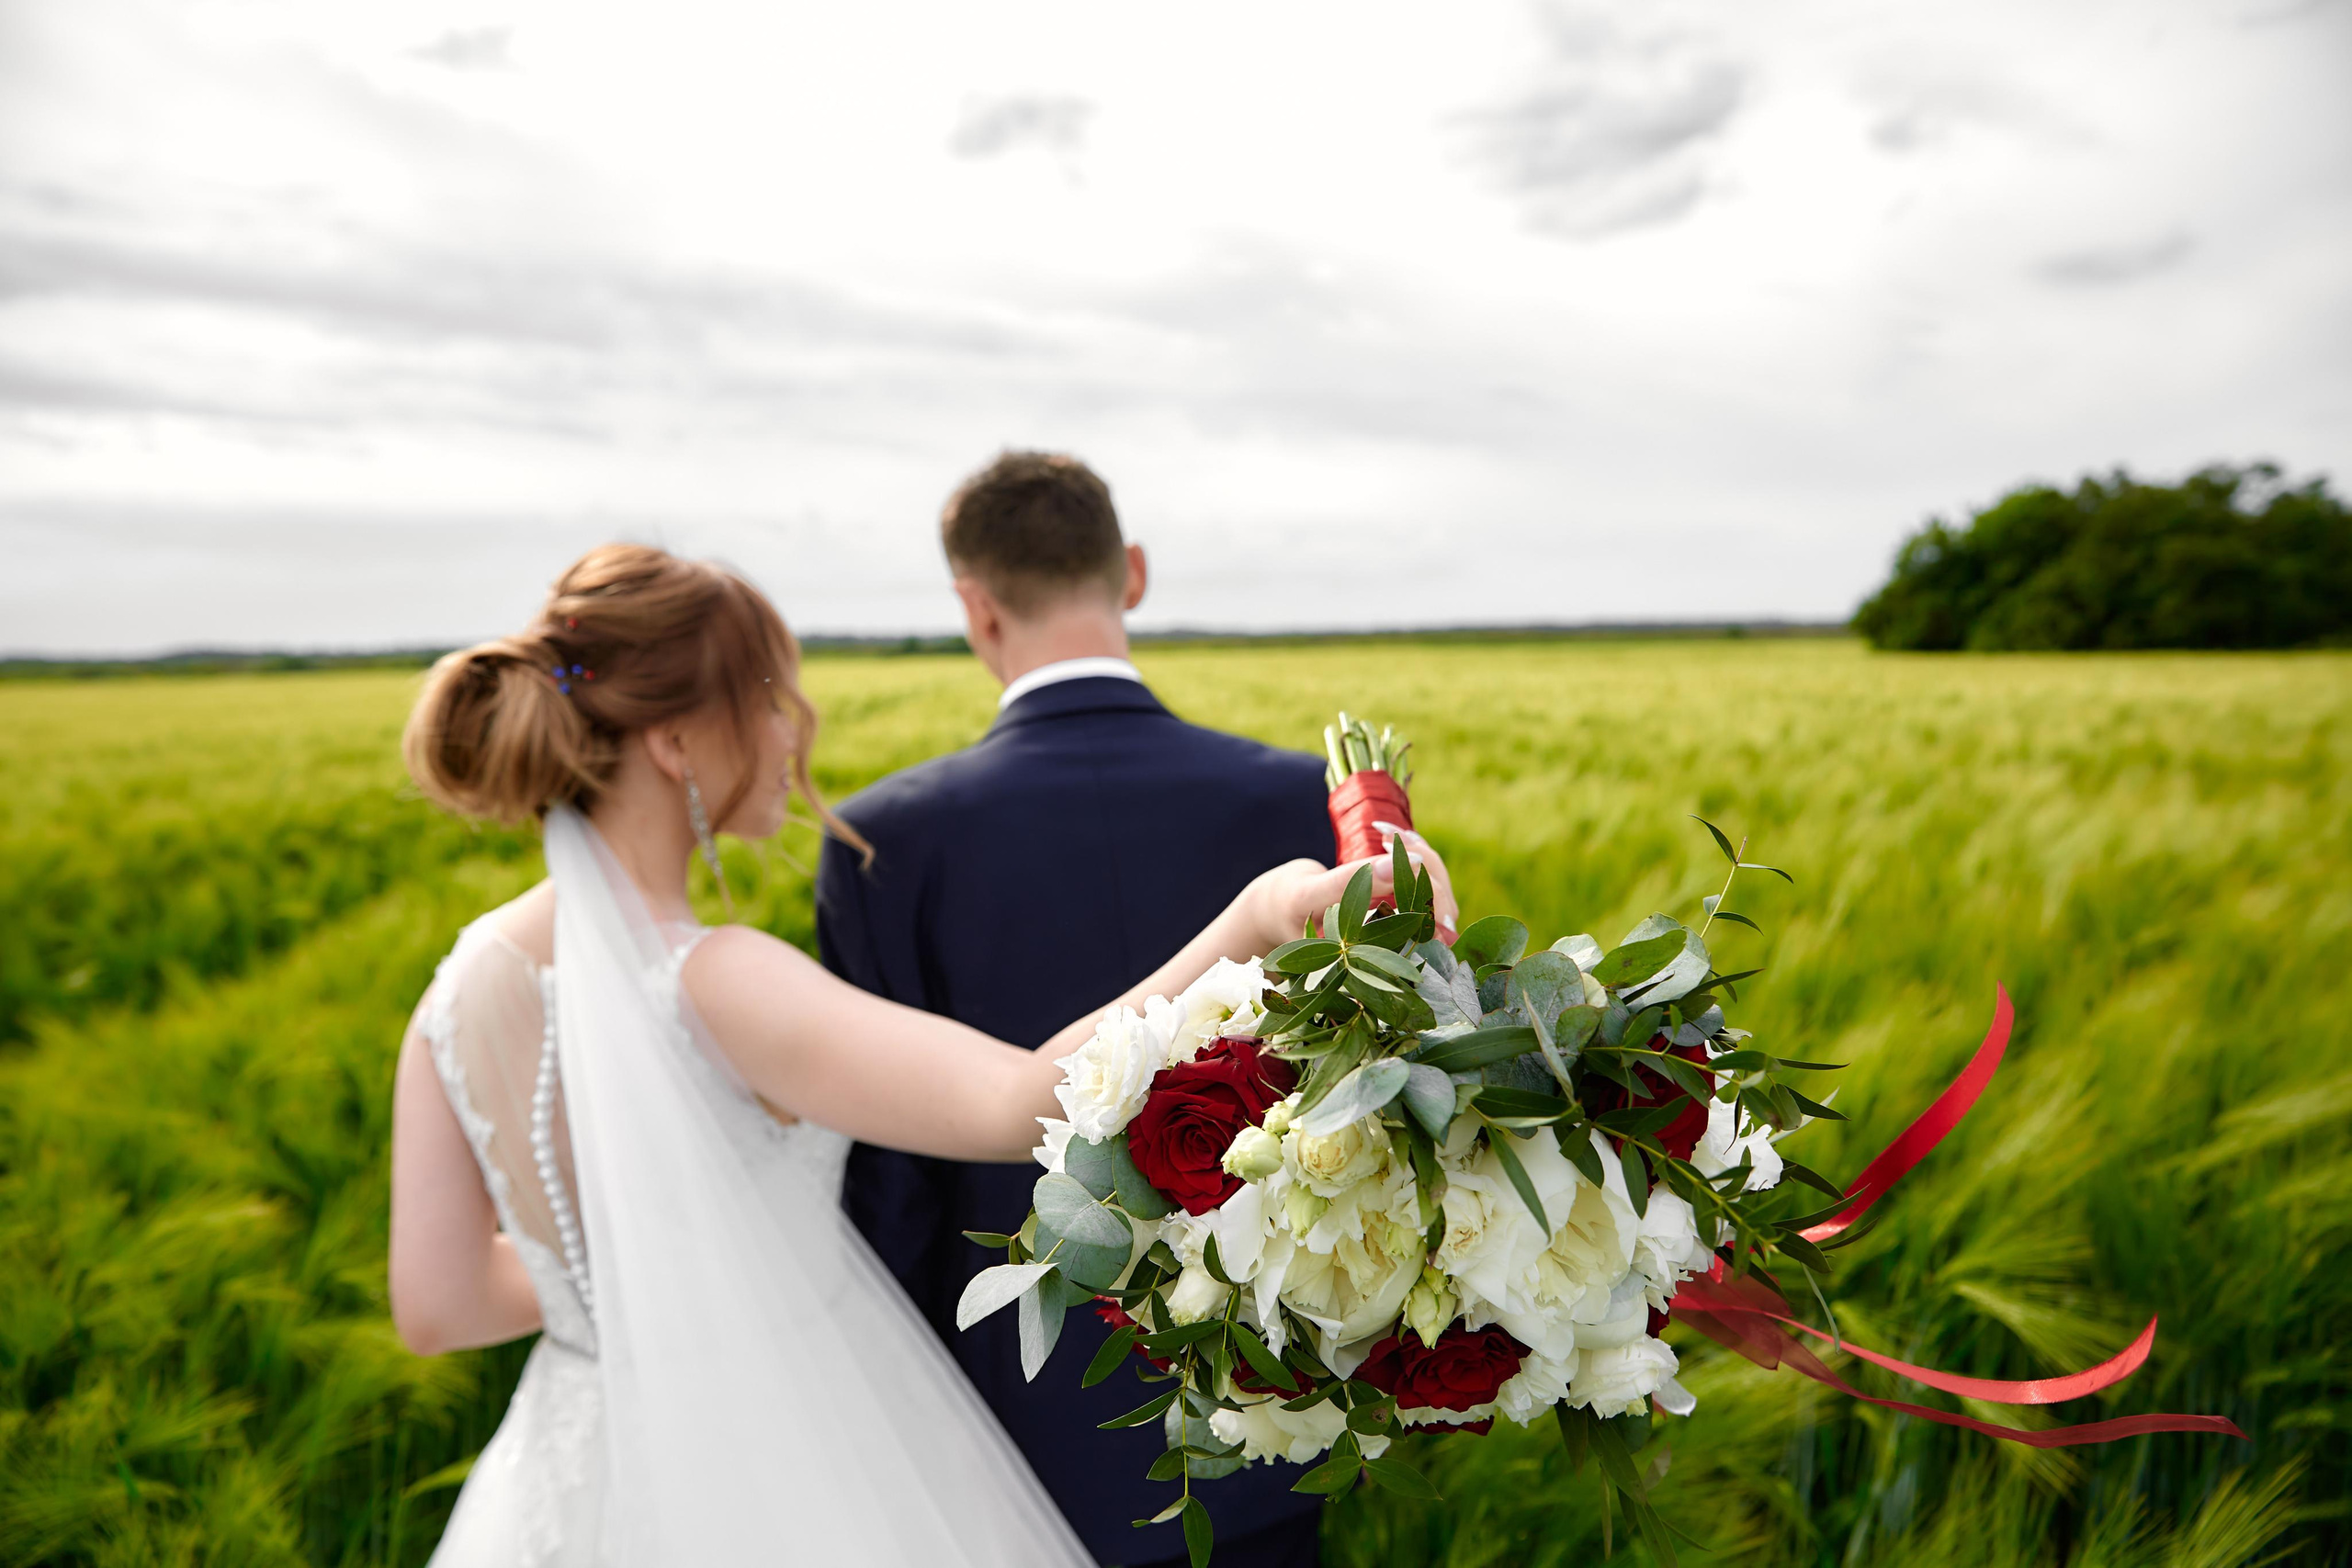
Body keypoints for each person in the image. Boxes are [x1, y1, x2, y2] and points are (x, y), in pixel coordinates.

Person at [386, 542, 1439, 1566]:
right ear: (675, 743)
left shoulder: (453, 993)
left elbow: (438, 1309)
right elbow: (1013, 1098)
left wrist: (667, 1251)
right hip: (789, 1458)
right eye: (768, 697)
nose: (794, 730)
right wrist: (1256, 915)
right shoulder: (711, 977)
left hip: (575, 1475)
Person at [820, 454, 1450, 1568]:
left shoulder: (885, 837)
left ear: (973, 605)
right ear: (1136, 574)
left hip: (999, 1413)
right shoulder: (1294, 798)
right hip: (1263, 1404)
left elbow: (891, 1172)